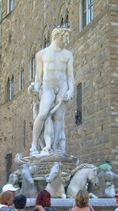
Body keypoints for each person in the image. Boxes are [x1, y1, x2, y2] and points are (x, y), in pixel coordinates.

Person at [29, 26, 74, 155]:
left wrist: (71, 90)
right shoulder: (42, 54)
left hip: (63, 86)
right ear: (57, 36)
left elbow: (70, 76)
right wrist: (36, 89)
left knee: (59, 117)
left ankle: (54, 147)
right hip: (48, 86)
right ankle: (34, 145)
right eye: (65, 37)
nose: (67, 40)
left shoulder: (68, 54)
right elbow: (38, 77)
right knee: (42, 114)